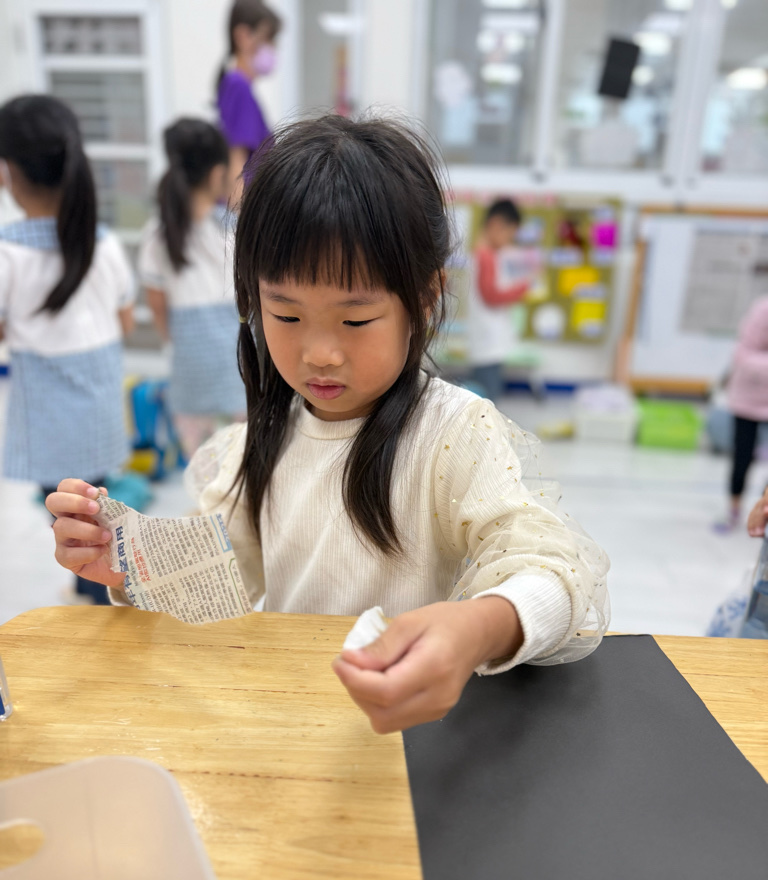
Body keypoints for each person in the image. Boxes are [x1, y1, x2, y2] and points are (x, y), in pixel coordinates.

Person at [47, 115, 610, 733]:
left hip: (411, 737)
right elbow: (222, 571)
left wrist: (477, 628)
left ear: (425, 298)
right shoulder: (258, 439)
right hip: (289, 724)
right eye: (286, 315)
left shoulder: (454, 434)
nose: (319, 354)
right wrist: (128, 564)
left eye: (355, 320)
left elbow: (554, 572)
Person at [0, 94, 134, 605]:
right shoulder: (104, 242)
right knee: (93, 500)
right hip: (96, 402)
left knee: (61, 503)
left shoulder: (8, 250)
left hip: (46, 411)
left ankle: (92, 591)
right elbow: (124, 319)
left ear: (8, 172)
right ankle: (90, 583)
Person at [139, 118, 246, 461]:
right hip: (237, 371)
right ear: (217, 174)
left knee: (200, 466)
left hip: (189, 371)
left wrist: (177, 342)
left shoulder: (157, 233)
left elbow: (157, 307)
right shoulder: (234, 229)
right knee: (238, 462)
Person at [467, 198, 533, 401]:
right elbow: (491, 295)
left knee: (483, 398)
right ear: (496, 224)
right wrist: (521, 290)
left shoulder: (486, 253)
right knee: (487, 401)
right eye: (510, 233)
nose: (510, 240)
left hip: (488, 342)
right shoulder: (485, 255)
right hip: (488, 344)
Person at [216, 0, 282, 200]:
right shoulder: (239, 87)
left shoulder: (235, 85)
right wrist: (238, 215)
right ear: (243, 36)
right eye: (267, 38)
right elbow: (236, 165)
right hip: (243, 207)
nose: (272, 48)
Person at [716, 297, 768, 532]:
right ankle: (734, 509)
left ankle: (763, 512)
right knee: (742, 456)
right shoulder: (762, 308)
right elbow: (743, 354)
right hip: (748, 397)